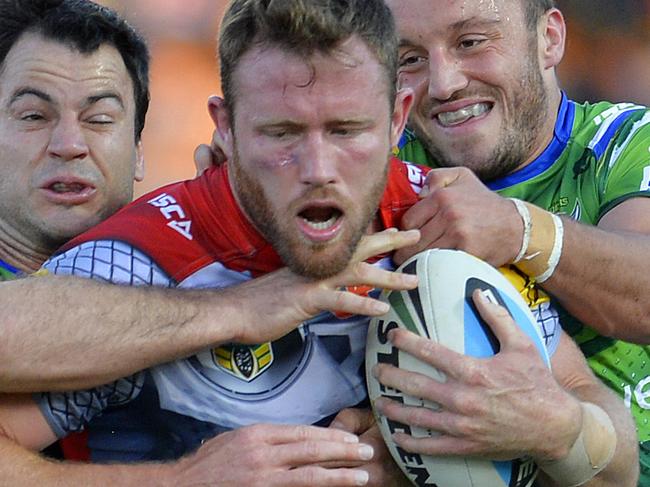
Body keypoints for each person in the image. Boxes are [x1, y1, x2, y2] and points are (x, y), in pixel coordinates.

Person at [0, 0, 637, 486]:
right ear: (226, 127)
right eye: (280, 132)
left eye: (346, 129)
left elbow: (619, 457)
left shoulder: (441, 221)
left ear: (396, 119)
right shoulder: (145, 259)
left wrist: (559, 428)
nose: (317, 167)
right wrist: (177, 478)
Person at [0, 0, 419, 395]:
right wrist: (235, 310)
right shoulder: (147, 264)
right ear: (226, 129)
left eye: (100, 119)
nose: (70, 144)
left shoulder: (433, 209)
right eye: (34, 116)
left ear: (140, 147)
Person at [369, 0, 650, 483]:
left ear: (549, 39)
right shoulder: (376, 169)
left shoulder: (625, 140)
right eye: (409, 59)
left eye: (471, 42)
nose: (443, 84)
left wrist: (519, 231)